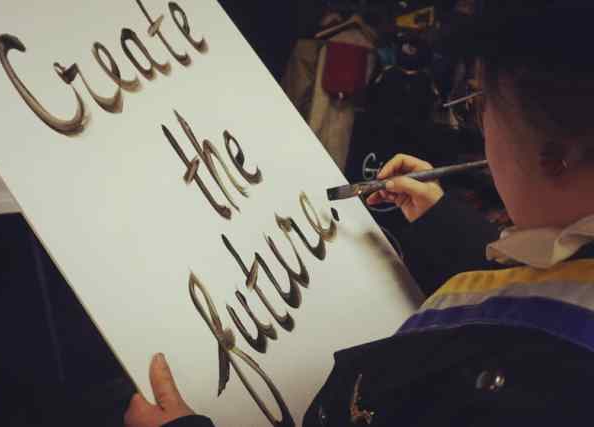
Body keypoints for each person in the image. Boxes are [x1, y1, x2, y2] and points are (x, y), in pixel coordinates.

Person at [125, 1, 594, 426]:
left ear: (554, 156)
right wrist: (445, 225)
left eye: (477, 107)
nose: (483, 132)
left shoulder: (523, 382)